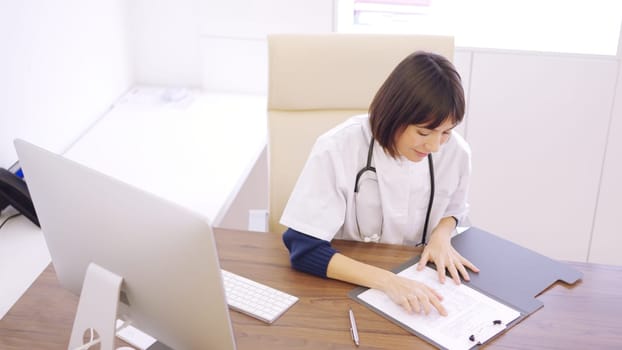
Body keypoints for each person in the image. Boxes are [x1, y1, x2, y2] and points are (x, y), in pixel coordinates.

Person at [280, 51, 479, 316]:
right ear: (394, 114)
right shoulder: (338, 147)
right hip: (349, 287)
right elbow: (304, 249)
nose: (435, 146)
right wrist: (389, 282)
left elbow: (454, 209)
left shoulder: (456, 151)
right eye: (423, 132)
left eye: (446, 132)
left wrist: (441, 235)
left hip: (422, 283)